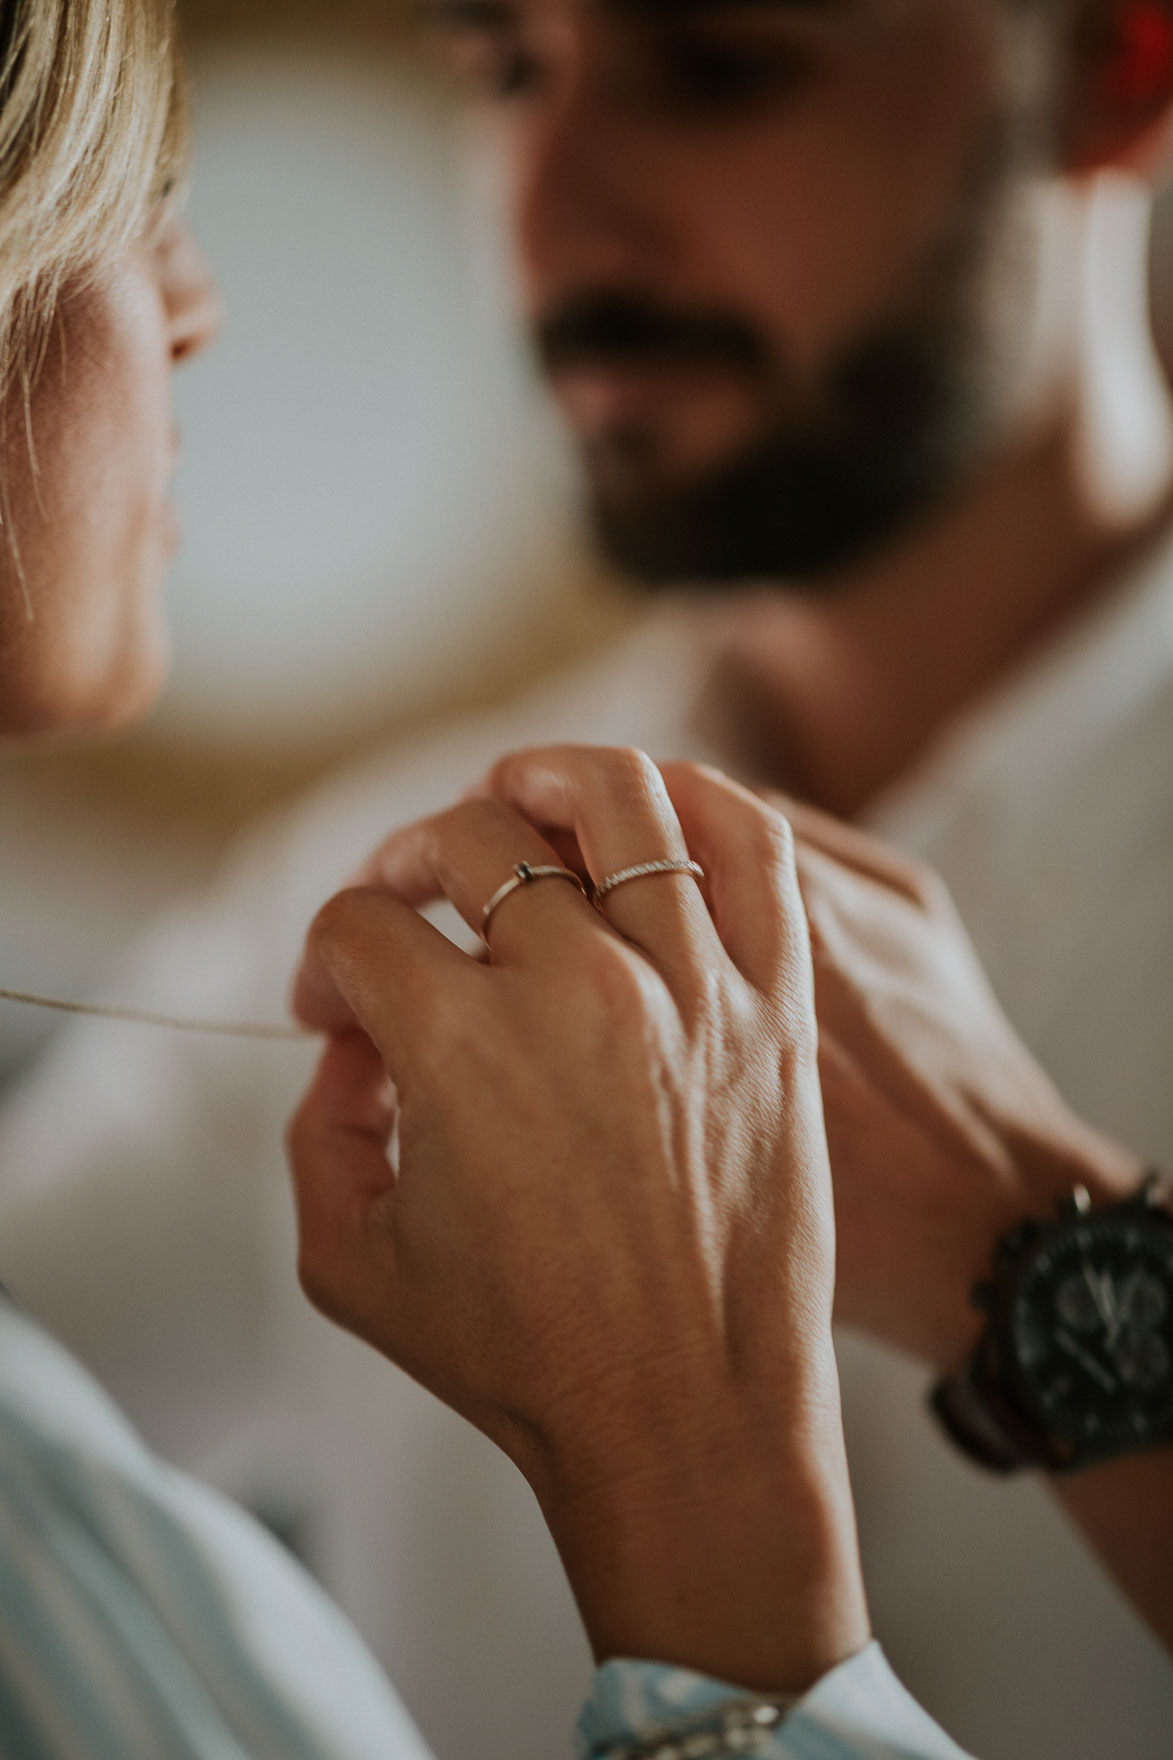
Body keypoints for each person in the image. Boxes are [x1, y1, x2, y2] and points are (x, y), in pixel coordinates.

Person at [4, 0, 1173, 1752]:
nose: (548, 217)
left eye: (718, 66)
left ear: (1112, 68)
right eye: (501, 74)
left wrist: (1050, 1265)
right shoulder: (347, 919)